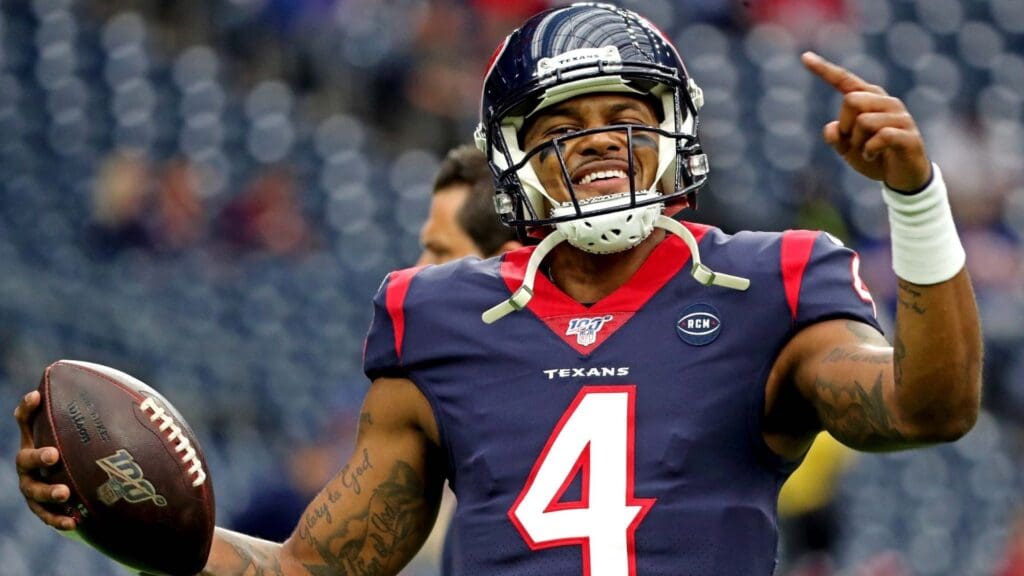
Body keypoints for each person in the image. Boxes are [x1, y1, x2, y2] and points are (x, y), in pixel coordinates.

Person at [14, 3, 982, 575]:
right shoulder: (434, 316)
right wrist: (128, 512)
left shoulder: (768, 278)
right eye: (564, 124)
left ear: (675, 131)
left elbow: (929, 407)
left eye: (627, 114)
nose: (601, 137)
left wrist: (914, 197)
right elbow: (312, 570)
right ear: (514, 158)